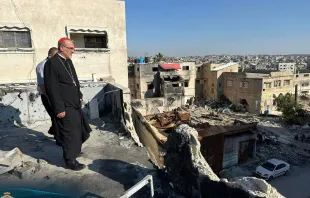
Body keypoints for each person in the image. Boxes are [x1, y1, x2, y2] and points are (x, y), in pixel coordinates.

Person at [44, 38, 92, 171]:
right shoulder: (52, 63)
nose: (73, 51)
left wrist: (79, 95)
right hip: (64, 106)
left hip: (74, 103)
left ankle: (74, 152)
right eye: (71, 48)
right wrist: (59, 108)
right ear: (62, 48)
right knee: (69, 133)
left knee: (79, 130)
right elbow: (51, 88)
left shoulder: (68, 61)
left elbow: (74, 81)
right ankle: (69, 160)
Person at [36, 47, 61, 146]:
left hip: (56, 94)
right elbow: (42, 85)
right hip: (47, 95)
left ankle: (53, 131)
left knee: (57, 116)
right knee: (55, 116)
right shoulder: (42, 66)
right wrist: (50, 97)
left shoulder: (54, 64)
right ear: (49, 56)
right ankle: (59, 138)